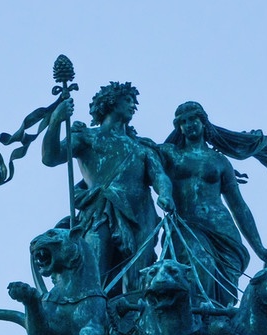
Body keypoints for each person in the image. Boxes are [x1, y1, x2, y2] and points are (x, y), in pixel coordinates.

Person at [42, 82, 175, 293]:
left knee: (138, 277)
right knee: (94, 272)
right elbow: (50, 157)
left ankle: (135, 319)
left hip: (141, 214)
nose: (133, 106)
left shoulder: (142, 147)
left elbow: (159, 176)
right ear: (112, 102)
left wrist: (166, 194)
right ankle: (93, 319)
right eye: (128, 100)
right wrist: (56, 121)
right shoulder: (87, 137)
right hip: (99, 211)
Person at [160, 101, 267, 306]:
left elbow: (239, 206)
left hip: (223, 229)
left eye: (193, 119)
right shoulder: (169, 154)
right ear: (178, 127)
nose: (188, 125)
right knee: (199, 264)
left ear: (203, 122)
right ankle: (199, 319)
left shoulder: (220, 161)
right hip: (187, 225)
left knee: (228, 286)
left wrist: (260, 248)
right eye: (183, 121)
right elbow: (136, 156)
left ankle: (222, 324)